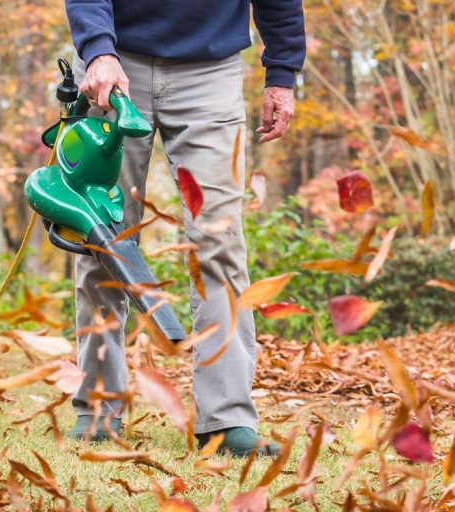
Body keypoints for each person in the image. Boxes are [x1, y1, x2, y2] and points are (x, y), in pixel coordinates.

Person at [64, 0, 306, 457]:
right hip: (113, 65)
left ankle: (227, 418)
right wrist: (97, 48)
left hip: (210, 72)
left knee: (220, 242)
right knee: (102, 238)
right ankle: (97, 408)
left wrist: (282, 73)